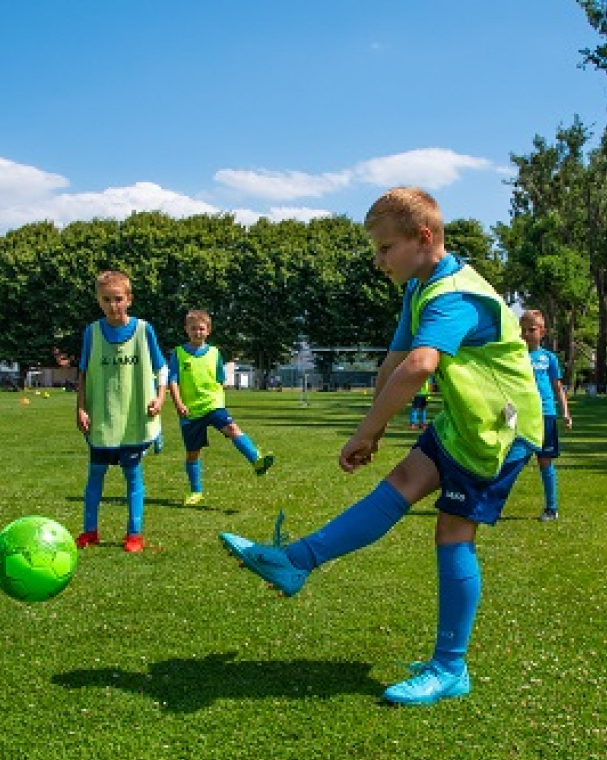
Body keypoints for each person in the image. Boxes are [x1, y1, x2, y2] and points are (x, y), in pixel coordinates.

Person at [220, 186, 543, 706]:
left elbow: (420, 365)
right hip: (466, 421)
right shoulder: (418, 289)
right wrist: (372, 427)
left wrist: (368, 431)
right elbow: (394, 361)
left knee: (452, 534)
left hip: (501, 431)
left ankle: (449, 668)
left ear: (422, 238)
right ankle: (294, 561)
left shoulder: (454, 296)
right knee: (400, 485)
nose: (377, 261)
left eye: (384, 248)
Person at [75, 270, 167, 553]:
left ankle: (134, 534)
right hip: (103, 418)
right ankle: (90, 531)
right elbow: (82, 373)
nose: (113, 305)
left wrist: (160, 398)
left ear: (129, 299)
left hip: (134, 418)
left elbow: (161, 368)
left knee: (133, 476)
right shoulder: (91, 332)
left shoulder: (143, 330)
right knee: (95, 476)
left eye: (118, 299)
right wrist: (81, 407)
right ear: (98, 301)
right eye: (106, 300)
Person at [168, 309, 274, 507]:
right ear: (186, 330)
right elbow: (172, 381)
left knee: (233, 428)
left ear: (208, 330)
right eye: (193, 329)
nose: (197, 332)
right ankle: (196, 491)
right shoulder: (178, 353)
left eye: (201, 329)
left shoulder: (215, 353)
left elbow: (220, 379)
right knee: (193, 453)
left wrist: (217, 395)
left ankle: (256, 460)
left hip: (214, 405)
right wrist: (179, 403)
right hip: (191, 411)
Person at [519, 310, 572, 521]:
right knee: (512, 461)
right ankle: (489, 504)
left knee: (545, 461)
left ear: (543, 332)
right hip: (523, 415)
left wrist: (565, 412)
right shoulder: (516, 356)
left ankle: (552, 508)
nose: (526, 334)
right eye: (523, 330)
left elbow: (558, 388)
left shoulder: (549, 358)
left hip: (545, 414)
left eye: (531, 330)